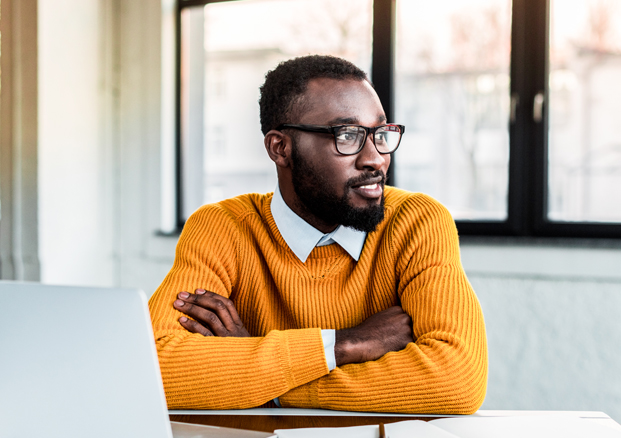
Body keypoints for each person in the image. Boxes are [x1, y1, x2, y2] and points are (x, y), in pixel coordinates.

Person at [149, 55, 487, 413]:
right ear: (281, 148)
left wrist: (265, 384)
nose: (376, 159)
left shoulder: (417, 222)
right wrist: (345, 344)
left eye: (380, 134)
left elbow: (456, 379)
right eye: (348, 135)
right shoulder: (223, 227)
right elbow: (151, 366)